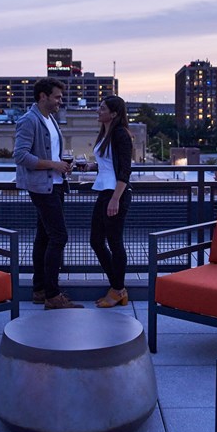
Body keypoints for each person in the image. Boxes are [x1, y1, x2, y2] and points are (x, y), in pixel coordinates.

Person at [13, 77, 83, 310]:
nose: (60, 101)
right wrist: (53, 165)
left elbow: (52, 152)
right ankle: (52, 296)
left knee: (44, 237)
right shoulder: (28, 120)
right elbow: (20, 156)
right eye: (57, 97)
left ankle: (39, 289)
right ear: (43, 96)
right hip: (42, 187)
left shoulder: (50, 118)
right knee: (59, 236)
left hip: (56, 184)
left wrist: (62, 165)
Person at [88, 95, 133, 308]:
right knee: (96, 241)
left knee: (115, 242)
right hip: (104, 191)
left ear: (113, 113)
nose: (98, 110)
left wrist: (116, 198)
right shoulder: (105, 133)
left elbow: (125, 170)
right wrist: (90, 167)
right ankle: (118, 288)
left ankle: (117, 290)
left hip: (116, 194)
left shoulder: (121, 134)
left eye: (102, 108)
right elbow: (108, 164)